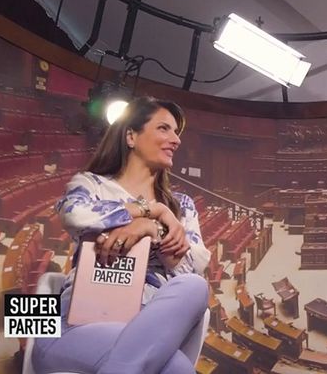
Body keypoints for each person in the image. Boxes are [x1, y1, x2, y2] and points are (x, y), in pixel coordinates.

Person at [32, 97, 211, 374]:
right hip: (74, 324)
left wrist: (151, 230)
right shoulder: (90, 183)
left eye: (176, 132)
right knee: (177, 368)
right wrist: (151, 211)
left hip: (146, 325)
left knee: (195, 286)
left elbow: (191, 267)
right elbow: (74, 213)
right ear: (131, 136)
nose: (176, 140)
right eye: (164, 128)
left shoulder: (182, 205)